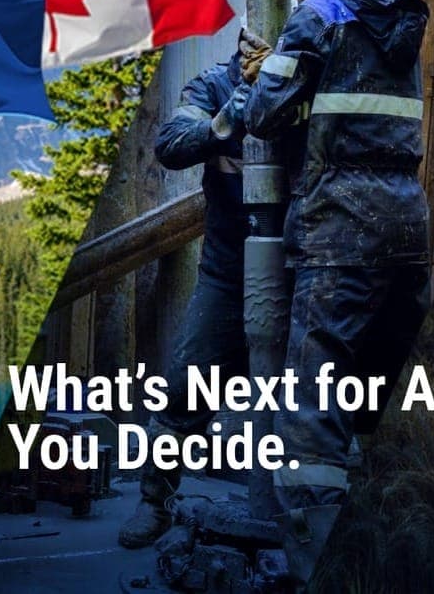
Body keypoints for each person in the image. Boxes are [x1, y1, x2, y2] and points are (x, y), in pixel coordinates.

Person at [242, 0, 432, 587]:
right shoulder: (398, 17)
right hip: (407, 224)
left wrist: (264, 70)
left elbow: (265, 115)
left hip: (338, 232)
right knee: (373, 401)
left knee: (312, 418)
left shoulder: (318, 12)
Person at [117, 31, 271, 549]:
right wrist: (237, 105)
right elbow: (171, 147)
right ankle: (154, 504)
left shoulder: (305, 81)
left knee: (309, 403)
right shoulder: (213, 86)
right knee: (185, 390)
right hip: (228, 274)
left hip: (298, 272)